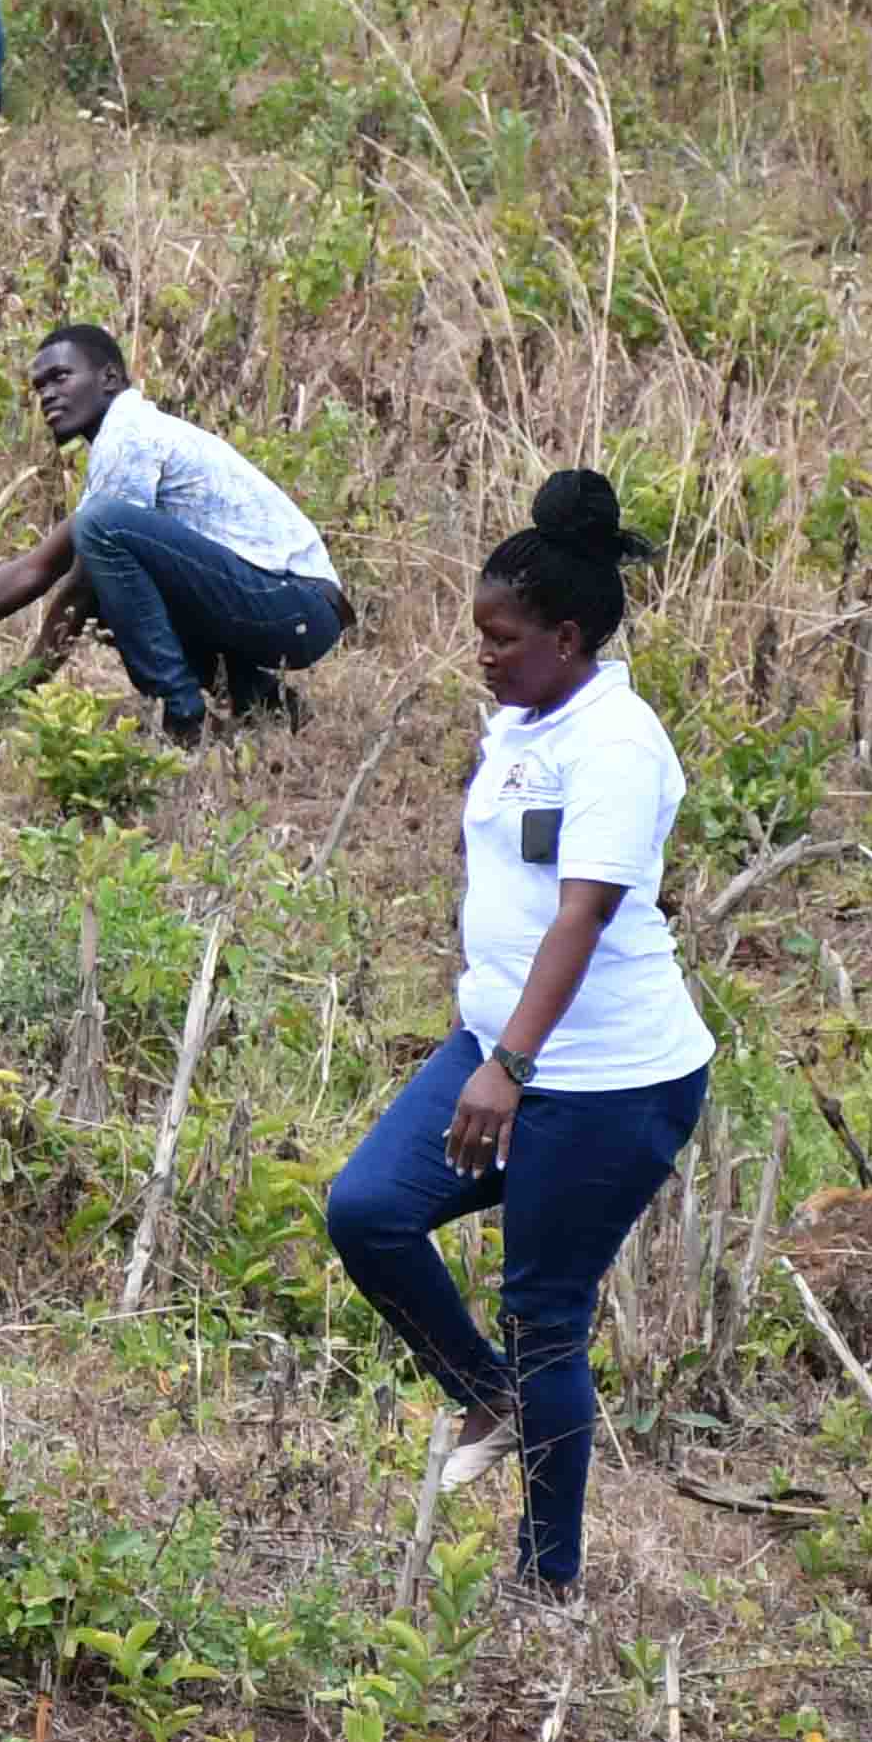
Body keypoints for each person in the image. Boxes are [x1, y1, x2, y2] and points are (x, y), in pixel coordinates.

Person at [319, 472, 709, 1605]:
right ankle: (478, 1390)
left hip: (605, 1086)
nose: (481, 656)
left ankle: (548, 1586)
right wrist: (492, 1045)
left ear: (570, 637)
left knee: (547, 1317)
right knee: (369, 1211)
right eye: (479, 635)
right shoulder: (529, 720)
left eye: (502, 639)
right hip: (498, 1045)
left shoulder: (619, 742)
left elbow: (582, 915)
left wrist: (511, 1066)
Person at [0, 323, 349, 746]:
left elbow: (76, 583)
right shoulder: (122, 445)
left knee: (102, 545)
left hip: (293, 607)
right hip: (285, 610)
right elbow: (35, 569)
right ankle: (266, 704)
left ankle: (184, 718)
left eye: (61, 377)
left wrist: (17, 691)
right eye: (39, 387)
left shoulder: (129, 432)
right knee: (111, 575)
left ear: (110, 379)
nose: (48, 396)